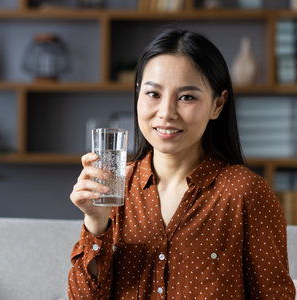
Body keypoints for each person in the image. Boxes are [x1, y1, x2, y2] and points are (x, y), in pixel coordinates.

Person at [68, 28, 296, 299]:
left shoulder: (245, 193)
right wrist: (95, 221)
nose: (166, 112)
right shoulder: (114, 189)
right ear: (138, 94)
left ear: (218, 104)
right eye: (153, 94)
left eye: (187, 97)